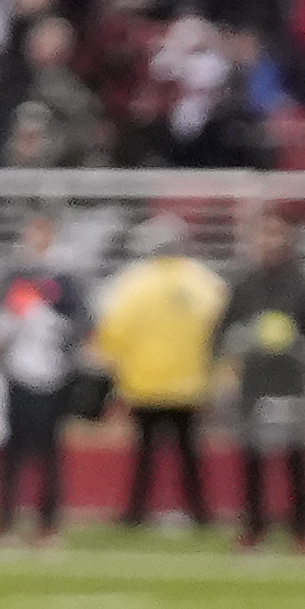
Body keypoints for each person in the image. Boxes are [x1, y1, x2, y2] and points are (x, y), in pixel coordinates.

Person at [91, 217, 227, 534]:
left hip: (144, 382)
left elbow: (113, 333)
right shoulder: (205, 282)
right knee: (190, 456)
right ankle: (200, 514)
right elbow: (221, 332)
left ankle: (135, 513)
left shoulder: (132, 283)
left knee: (144, 457)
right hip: (191, 384)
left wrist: (115, 370)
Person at [218, 205, 305, 553]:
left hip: (292, 384)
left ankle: (302, 531)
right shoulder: (244, 284)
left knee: (296, 458)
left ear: (288, 238)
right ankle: (254, 529)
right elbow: (222, 333)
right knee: (252, 458)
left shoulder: (303, 284)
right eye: (264, 233)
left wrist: (299, 347)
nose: (269, 240)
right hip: (254, 383)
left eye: (276, 232)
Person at [0, 216, 89, 543]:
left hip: (54, 374)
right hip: (16, 373)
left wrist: (54, 324)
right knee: (12, 451)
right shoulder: (12, 274)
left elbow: (82, 320)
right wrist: (12, 318)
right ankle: (3, 521)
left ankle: (48, 524)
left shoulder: (65, 278)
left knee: (49, 452)